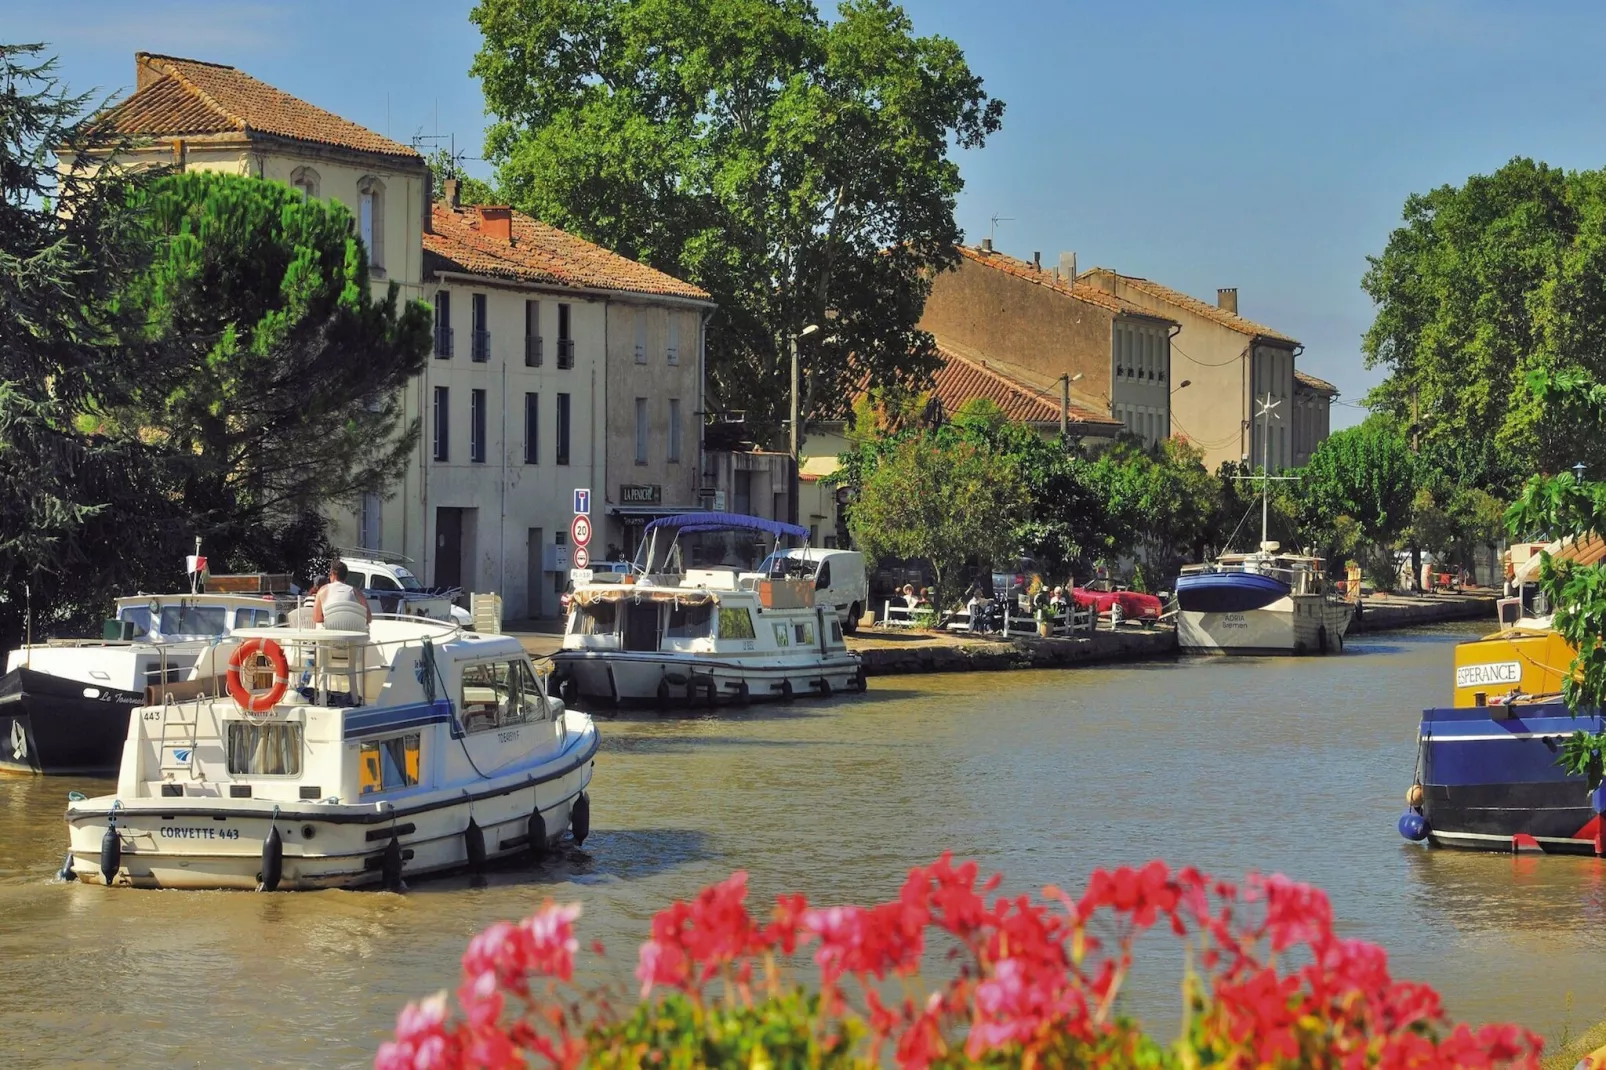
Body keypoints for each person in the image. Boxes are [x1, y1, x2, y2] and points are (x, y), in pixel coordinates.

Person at [313, 561, 372, 626]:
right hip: (352, 633)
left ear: (332, 574)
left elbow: (316, 618)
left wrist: (331, 621)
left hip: (330, 633)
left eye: (329, 574)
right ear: (345, 576)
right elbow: (369, 618)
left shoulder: (322, 591)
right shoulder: (356, 592)